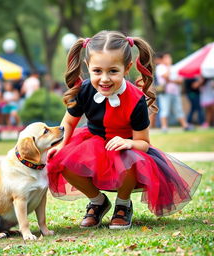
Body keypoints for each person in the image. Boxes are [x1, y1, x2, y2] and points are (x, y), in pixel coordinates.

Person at [47, 30, 202, 229]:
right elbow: (68, 123)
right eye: (97, 71)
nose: (104, 79)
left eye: (113, 71)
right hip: (92, 140)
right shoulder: (85, 90)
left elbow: (144, 143)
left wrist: (128, 142)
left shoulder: (136, 99)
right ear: (88, 67)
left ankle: (123, 205)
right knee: (61, 161)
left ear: (126, 68)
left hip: (127, 145)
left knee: (129, 159)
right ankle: (98, 202)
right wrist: (61, 145)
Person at [156, 53, 192, 132]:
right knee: (165, 109)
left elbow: (180, 80)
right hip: (165, 92)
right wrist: (168, 67)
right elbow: (166, 77)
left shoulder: (174, 67)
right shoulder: (160, 67)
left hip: (175, 92)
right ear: (163, 59)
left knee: (179, 109)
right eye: (166, 58)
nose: (168, 60)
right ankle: (164, 127)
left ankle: (185, 126)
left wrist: (171, 80)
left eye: (169, 58)